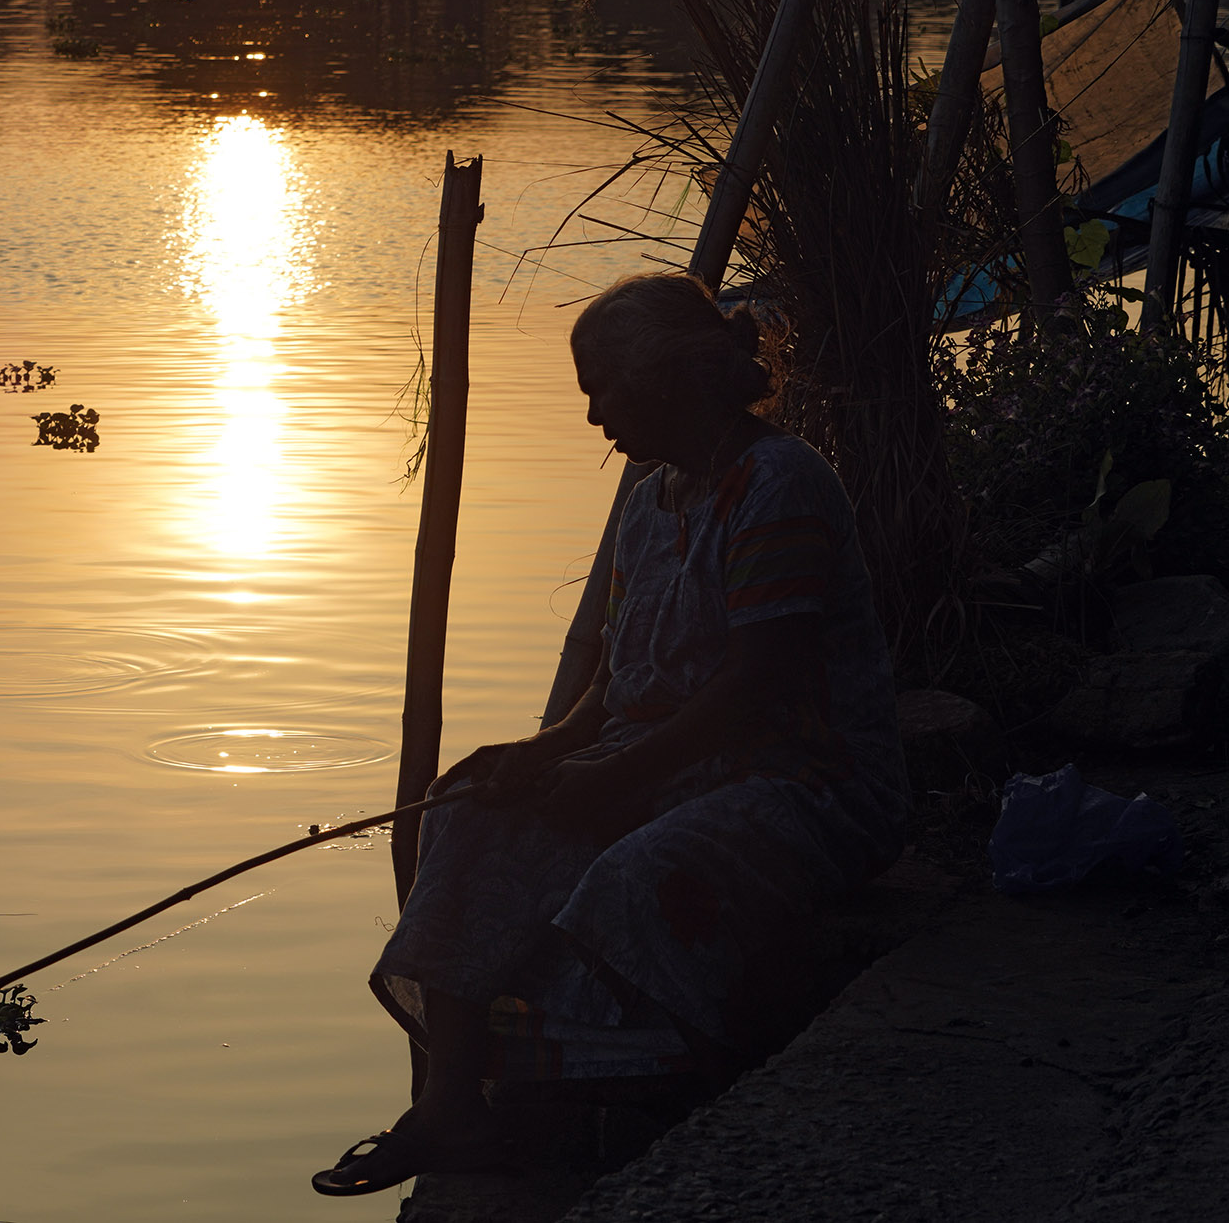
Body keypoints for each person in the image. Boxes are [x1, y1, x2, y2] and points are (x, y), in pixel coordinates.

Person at [312, 273, 908, 1197]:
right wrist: (541, 754)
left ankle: (634, 1095)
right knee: (468, 814)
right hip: (667, 767)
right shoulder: (646, 501)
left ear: (671, 377)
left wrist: (616, 779)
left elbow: (759, 685)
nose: (594, 415)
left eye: (604, 386)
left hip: (801, 778)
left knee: (632, 877)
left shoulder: (779, 484)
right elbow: (615, 684)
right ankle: (453, 1105)